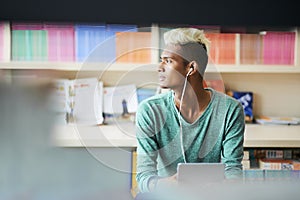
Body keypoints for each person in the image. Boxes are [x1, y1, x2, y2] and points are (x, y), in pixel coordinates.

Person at [135, 28, 245, 196]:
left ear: (191, 68)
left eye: (168, 61)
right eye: (161, 60)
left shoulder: (230, 110)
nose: (159, 67)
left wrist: (224, 187)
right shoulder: (150, 111)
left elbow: (233, 169)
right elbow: (144, 177)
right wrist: (164, 185)